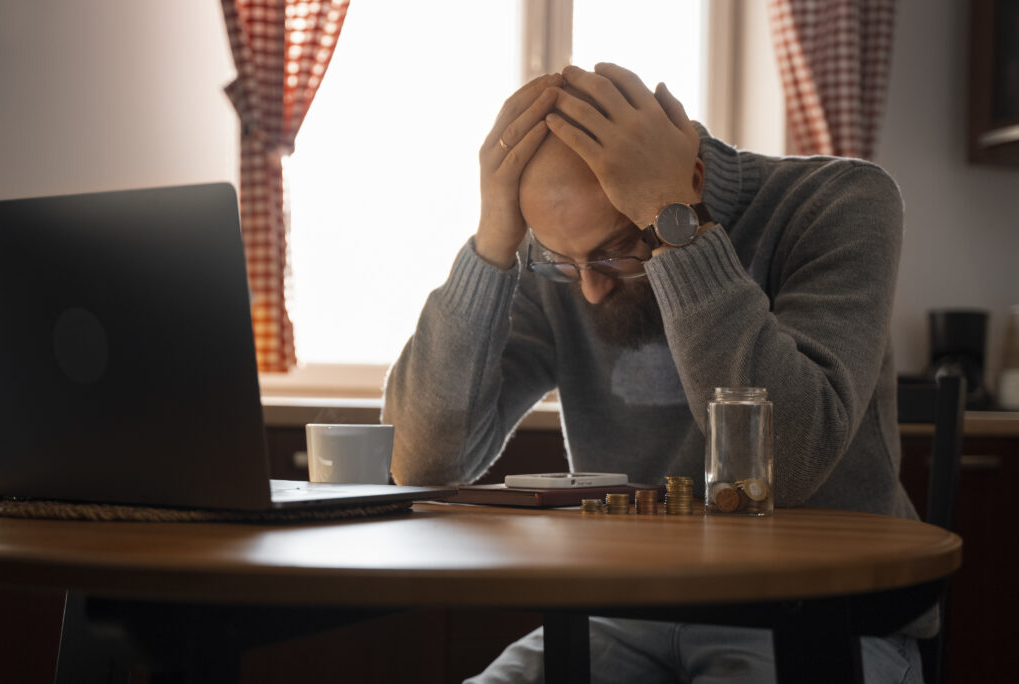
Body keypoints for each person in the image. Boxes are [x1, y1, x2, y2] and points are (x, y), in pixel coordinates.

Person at [381, 63, 927, 683]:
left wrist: (676, 227)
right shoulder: (562, 262)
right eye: (562, 260)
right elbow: (419, 462)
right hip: (619, 613)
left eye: (616, 253)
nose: (586, 290)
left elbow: (789, 461)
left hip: (819, 618)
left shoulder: (839, 200)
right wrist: (493, 244)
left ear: (689, 180)